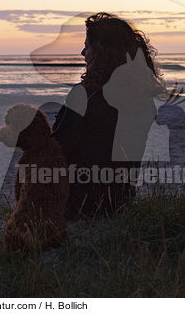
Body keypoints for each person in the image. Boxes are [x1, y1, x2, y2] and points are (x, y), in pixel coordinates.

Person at [52, 12, 165, 220]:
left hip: (77, 205)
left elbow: (57, 149)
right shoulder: (144, 100)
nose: (82, 52)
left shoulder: (85, 95)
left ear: (102, 51)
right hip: (120, 202)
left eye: (87, 46)